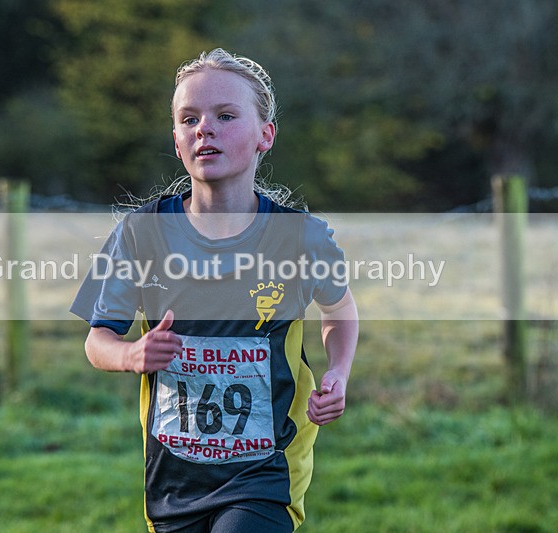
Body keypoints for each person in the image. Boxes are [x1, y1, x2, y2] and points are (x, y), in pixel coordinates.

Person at [71, 48, 358, 532]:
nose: (205, 128)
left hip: (264, 473)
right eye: (189, 119)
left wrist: (339, 374)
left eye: (226, 115)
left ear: (265, 135)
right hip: (173, 481)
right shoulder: (141, 235)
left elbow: (340, 311)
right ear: (178, 140)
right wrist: (132, 354)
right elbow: (97, 340)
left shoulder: (300, 236)